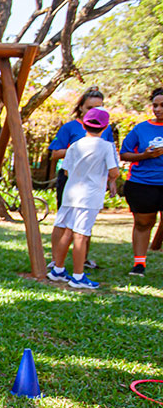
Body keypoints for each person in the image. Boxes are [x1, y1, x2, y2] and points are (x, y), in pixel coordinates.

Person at [47, 107, 120, 289]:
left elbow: (66, 169)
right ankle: (78, 276)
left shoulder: (75, 145)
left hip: (71, 193)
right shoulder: (106, 146)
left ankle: (58, 268)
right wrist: (110, 178)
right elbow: (114, 171)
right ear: (105, 127)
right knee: (81, 235)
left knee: (68, 231)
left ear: (84, 124)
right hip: (89, 197)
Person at [119, 87, 163, 277]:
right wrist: (145, 155)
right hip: (142, 184)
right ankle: (139, 264)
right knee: (144, 223)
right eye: (155, 105)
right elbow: (124, 153)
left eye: (162, 105)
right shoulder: (140, 129)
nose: (158, 109)